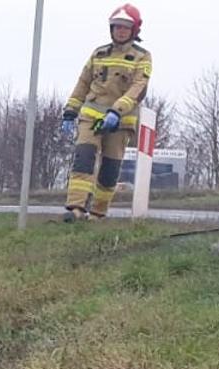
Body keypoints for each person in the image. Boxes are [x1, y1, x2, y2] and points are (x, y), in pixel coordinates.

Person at [60, 4, 152, 223]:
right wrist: (70, 111)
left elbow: (138, 87)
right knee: (83, 158)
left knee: (110, 168)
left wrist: (116, 111)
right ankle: (76, 208)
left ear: (134, 30)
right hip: (90, 116)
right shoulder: (98, 53)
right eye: (117, 26)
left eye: (125, 27)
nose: (120, 30)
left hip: (120, 121)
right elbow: (83, 83)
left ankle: (99, 213)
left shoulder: (142, 57)